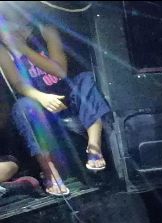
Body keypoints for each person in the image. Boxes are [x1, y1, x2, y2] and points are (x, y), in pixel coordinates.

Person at [0, 9, 112, 196]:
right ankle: (50, 172)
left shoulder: (45, 30)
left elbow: (60, 71)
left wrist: (24, 49)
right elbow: (18, 84)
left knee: (85, 79)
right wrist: (42, 97)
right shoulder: (3, 48)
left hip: (65, 96)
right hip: (40, 104)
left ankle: (94, 147)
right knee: (23, 107)